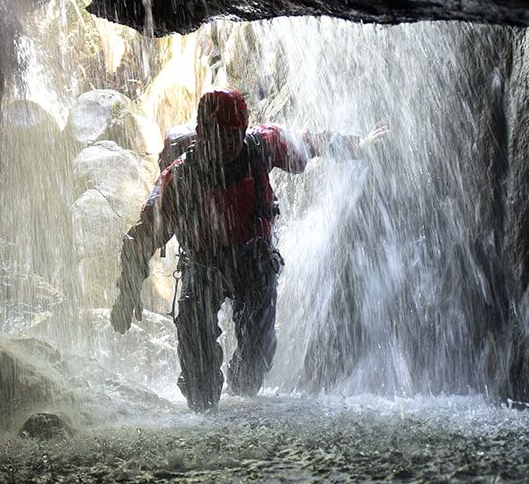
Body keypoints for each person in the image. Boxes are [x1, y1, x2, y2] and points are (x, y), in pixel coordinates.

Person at [110, 87, 387, 410]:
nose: (225, 145)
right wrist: (127, 293)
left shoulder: (262, 146)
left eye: (232, 135)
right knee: (199, 384)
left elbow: (310, 142)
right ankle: (203, 403)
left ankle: (240, 396)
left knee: (252, 370)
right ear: (201, 134)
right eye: (216, 135)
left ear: (243, 130)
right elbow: (142, 237)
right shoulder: (178, 180)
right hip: (203, 268)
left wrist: (359, 146)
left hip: (253, 261)